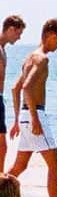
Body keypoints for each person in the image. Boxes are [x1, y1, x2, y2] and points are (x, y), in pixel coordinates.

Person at [8, 18, 57, 197]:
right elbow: (26, 88)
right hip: (36, 116)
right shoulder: (42, 59)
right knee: (56, 166)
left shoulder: (29, 58)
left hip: (27, 116)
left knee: (19, 167)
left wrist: (18, 119)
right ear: (50, 35)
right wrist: (35, 119)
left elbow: (15, 88)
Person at [0, 15, 26, 173]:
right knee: (2, 146)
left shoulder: (3, 49)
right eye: (18, 33)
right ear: (10, 29)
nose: (19, 37)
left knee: (2, 147)